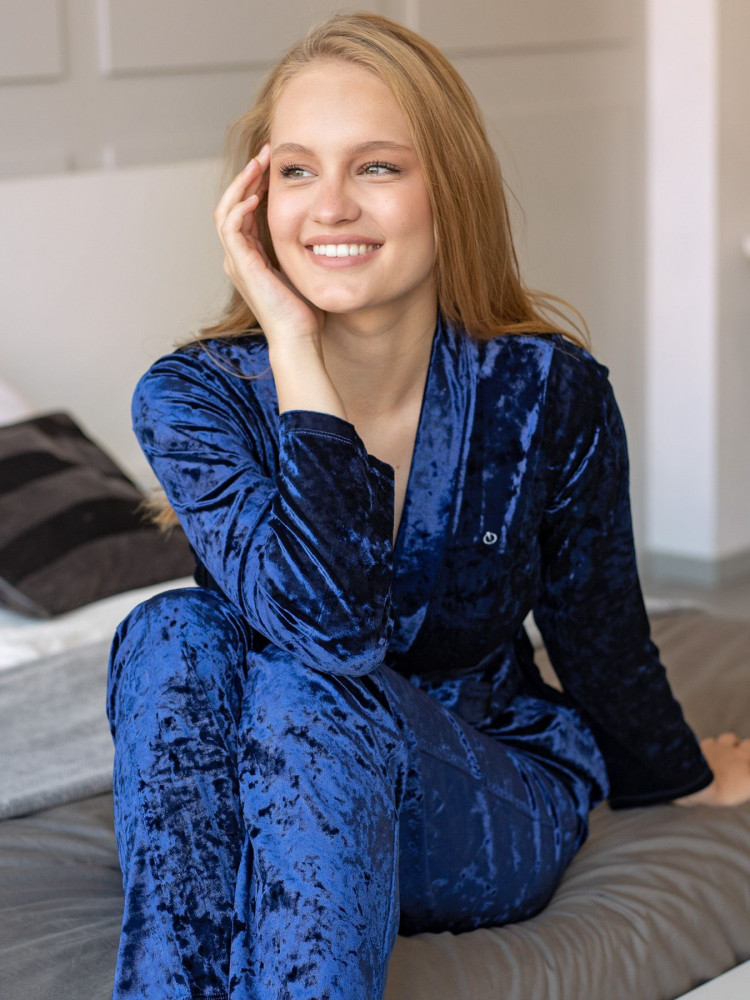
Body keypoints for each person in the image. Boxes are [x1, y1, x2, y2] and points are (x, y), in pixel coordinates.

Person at [106, 11, 750, 1000]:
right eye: (297, 171)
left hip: (477, 784)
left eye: (376, 167)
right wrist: (293, 348)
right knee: (169, 631)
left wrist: (681, 775)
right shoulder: (194, 398)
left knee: (305, 693)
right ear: (256, 202)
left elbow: (596, 627)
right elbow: (319, 624)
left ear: (449, 187)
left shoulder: (545, 391)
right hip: (268, 786)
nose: (330, 207)